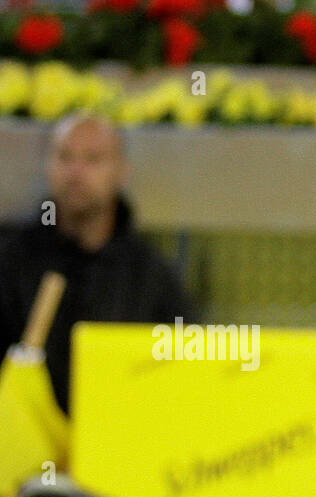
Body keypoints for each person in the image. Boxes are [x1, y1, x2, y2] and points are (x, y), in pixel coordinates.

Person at [0, 113, 197, 417]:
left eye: (93, 159)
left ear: (121, 171)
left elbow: (184, 376)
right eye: (65, 157)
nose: (75, 172)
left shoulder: (152, 275)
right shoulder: (11, 261)